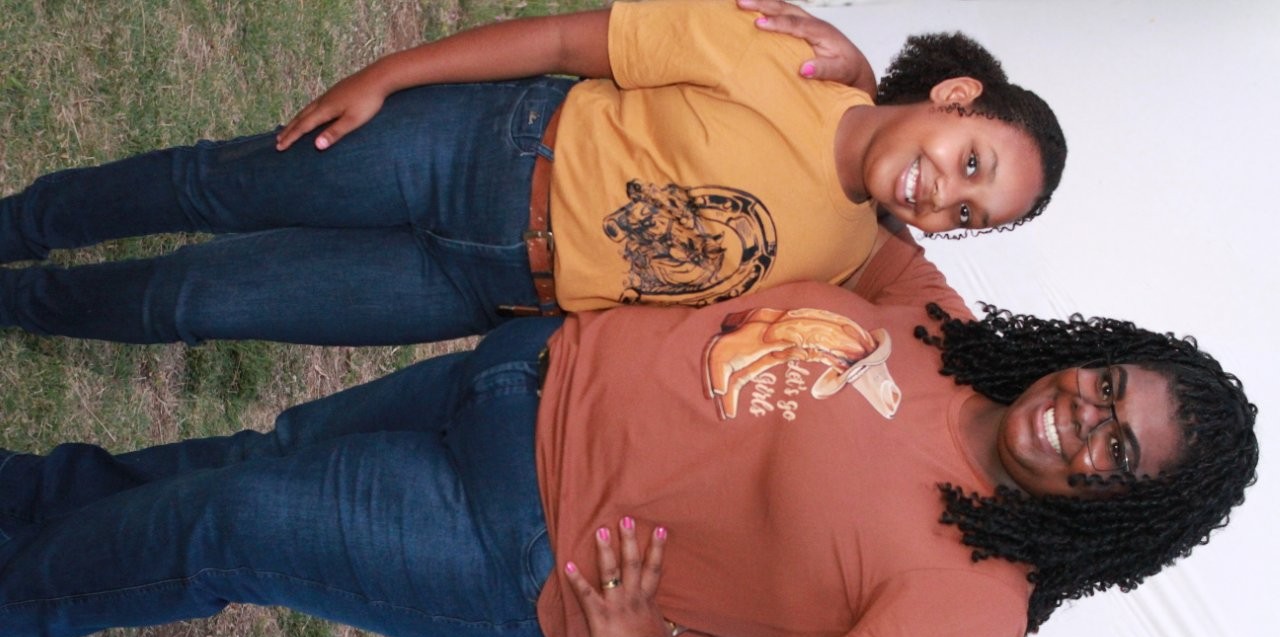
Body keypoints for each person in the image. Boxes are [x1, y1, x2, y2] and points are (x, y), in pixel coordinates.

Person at [0, 220, 1256, 637]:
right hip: (520, 379)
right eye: (1106, 386)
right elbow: (853, 187)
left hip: (521, 552)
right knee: (244, 461)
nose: (1082, 418)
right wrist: (836, 60)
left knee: (226, 527)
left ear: (1121, 510)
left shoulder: (983, 594)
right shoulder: (941, 325)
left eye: (1116, 452)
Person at [0, 0, 1065, 346]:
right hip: (477, 150)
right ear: (954, 94)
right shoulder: (777, 52)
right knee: (218, 186)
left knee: (197, 302)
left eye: (970, 214)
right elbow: (565, 41)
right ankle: (19, 225)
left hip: (483, 288)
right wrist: (388, 74)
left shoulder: (841, 264)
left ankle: (20, 305)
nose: (944, 196)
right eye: (969, 162)